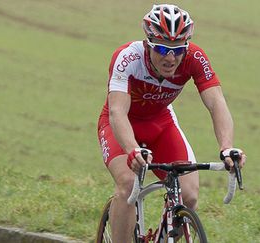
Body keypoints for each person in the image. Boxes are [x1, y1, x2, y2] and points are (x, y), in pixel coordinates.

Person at [97, 4, 246, 242]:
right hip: (121, 126)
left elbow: (216, 102)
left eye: (178, 50)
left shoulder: (195, 57)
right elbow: (117, 112)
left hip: (160, 124)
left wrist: (226, 147)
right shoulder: (127, 58)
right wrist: (131, 150)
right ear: (148, 43)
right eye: (162, 48)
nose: (170, 57)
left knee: (189, 195)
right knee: (127, 184)